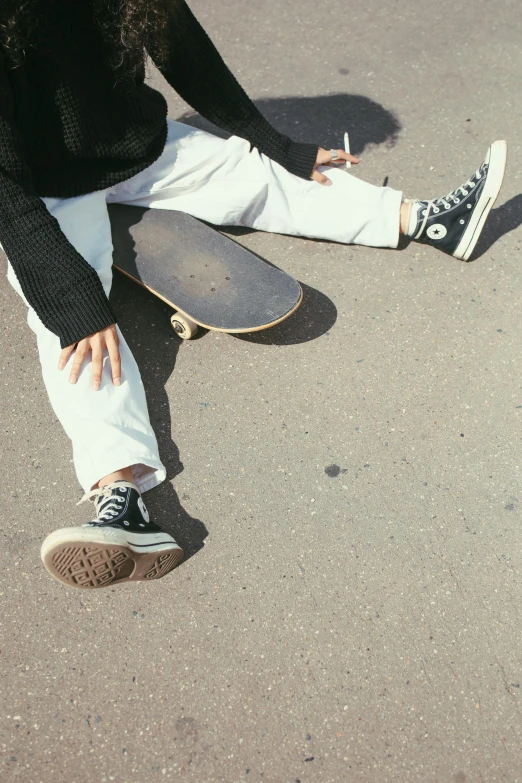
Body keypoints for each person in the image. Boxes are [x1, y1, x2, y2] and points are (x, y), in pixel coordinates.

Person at [0, 0, 507, 589]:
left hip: (140, 148)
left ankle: (426, 221)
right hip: (45, 189)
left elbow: (187, 54)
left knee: (257, 171)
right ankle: (122, 494)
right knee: (69, 330)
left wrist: (276, 143)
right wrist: (71, 300)